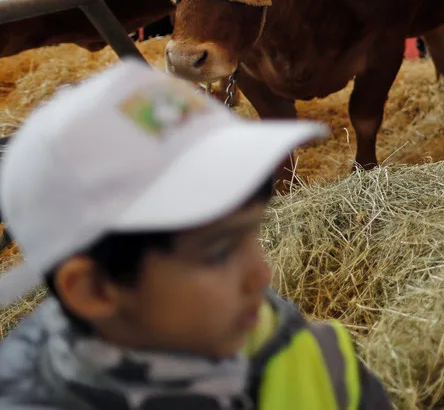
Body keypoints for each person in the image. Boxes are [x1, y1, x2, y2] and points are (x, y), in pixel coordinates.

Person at [0, 60, 393, 409]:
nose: (262, 275)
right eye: (219, 252)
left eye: (251, 233)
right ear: (93, 289)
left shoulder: (317, 361)